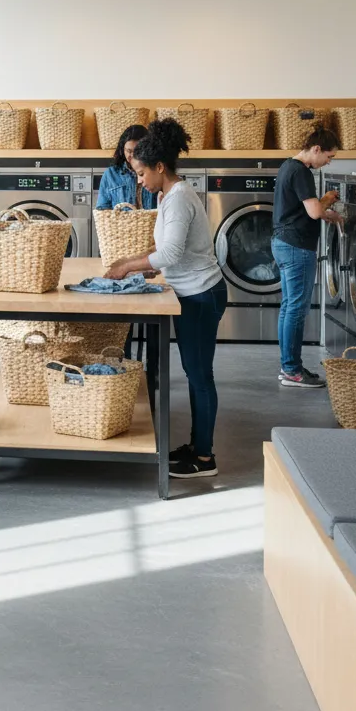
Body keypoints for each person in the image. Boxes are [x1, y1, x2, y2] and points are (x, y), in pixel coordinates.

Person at [105, 118, 228, 480]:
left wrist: (129, 265)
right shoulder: (169, 195)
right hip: (191, 292)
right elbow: (164, 248)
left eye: (142, 173)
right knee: (194, 373)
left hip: (201, 295)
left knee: (199, 376)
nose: (139, 180)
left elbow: (171, 253)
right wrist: (142, 264)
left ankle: (205, 458)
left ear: (160, 167)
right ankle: (196, 445)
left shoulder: (177, 199)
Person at [271, 124, 342, 388]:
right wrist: (326, 205)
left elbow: (302, 210)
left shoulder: (288, 165)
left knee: (289, 308)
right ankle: (292, 371)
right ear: (316, 149)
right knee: (296, 310)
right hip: (297, 246)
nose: (328, 162)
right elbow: (312, 212)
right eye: (329, 156)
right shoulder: (301, 172)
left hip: (283, 243)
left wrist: (323, 205)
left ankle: (290, 367)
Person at [97, 123, 159, 370]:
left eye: (136, 150)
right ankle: (125, 366)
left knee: (152, 312)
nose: (131, 156)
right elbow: (102, 212)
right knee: (123, 315)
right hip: (120, 248)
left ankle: (152, 370)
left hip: (151, 249)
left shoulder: (153, 172)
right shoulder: (111, 174)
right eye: (127, 150)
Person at [97, 124, 159, 212]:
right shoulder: (110, 174)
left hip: (150, 224)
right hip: (122, 225)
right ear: (122, 150)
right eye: (129, 151)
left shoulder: (155, 171)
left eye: (138, 151)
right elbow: (102, 210)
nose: (133, 156)